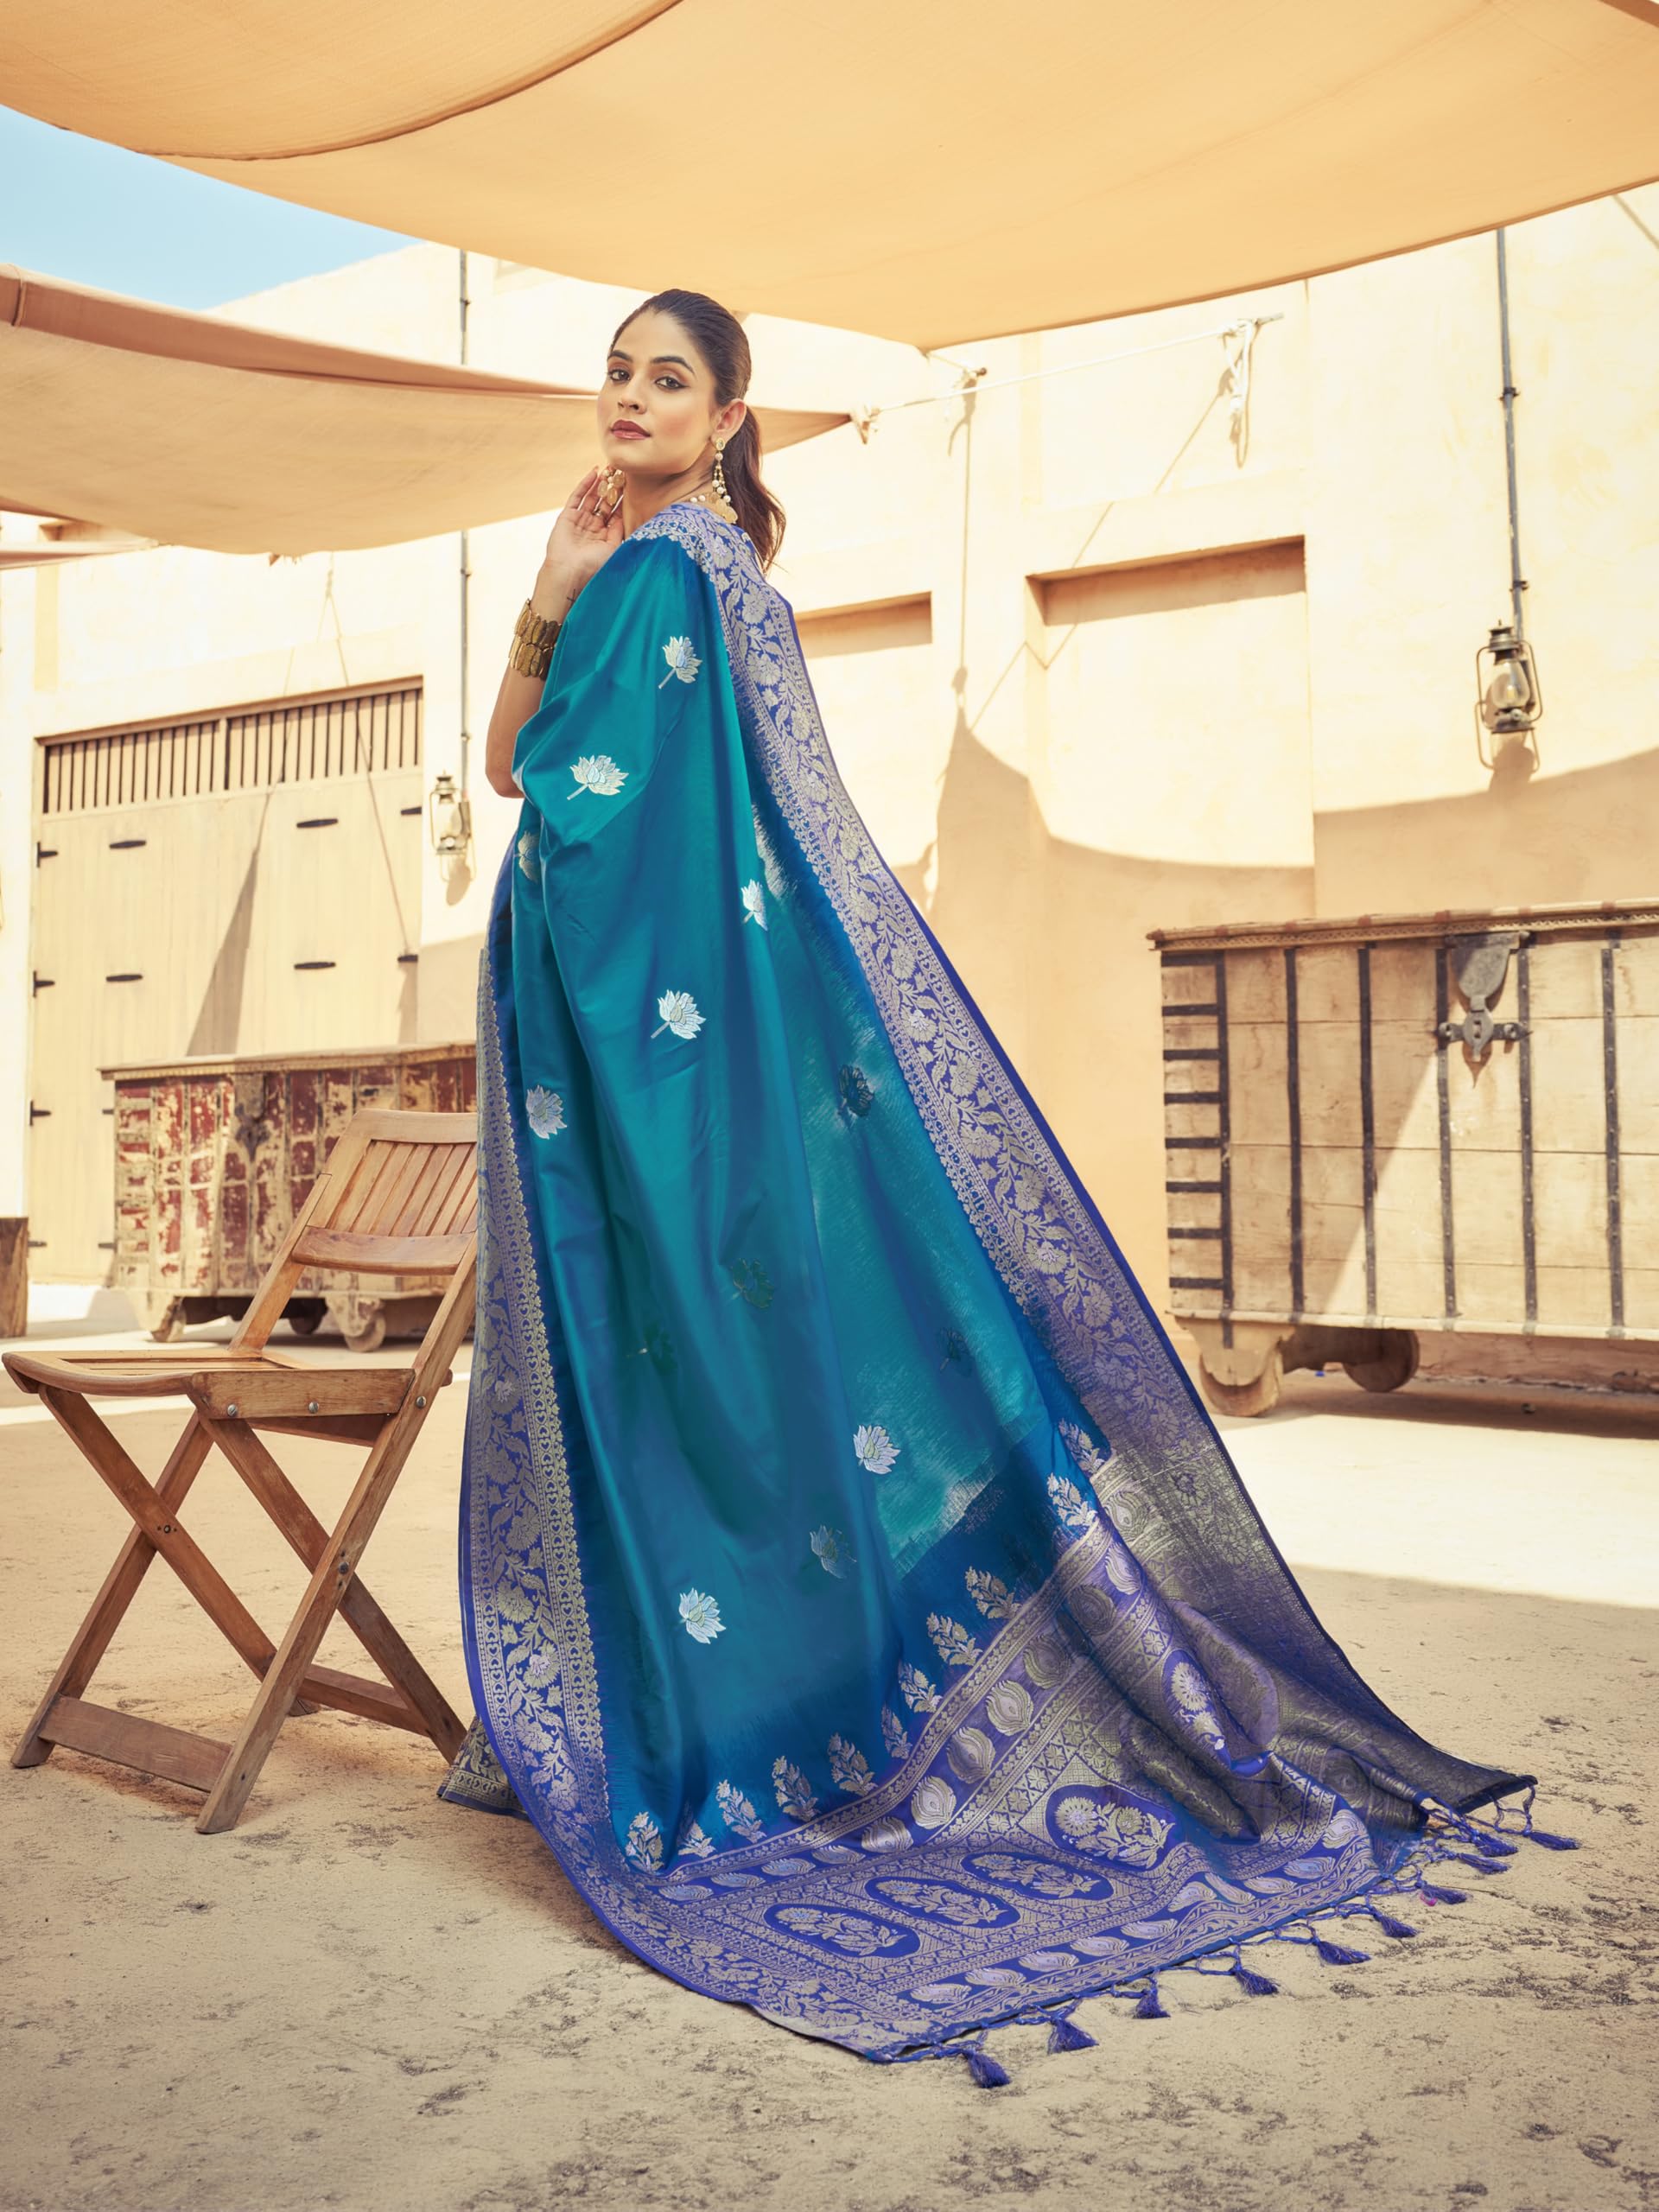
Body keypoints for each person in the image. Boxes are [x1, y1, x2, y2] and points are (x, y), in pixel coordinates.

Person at [439, 289, 1575, 2082]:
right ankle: (769, 1702)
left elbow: (565, 807)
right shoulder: (685, 576)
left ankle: (710, 1733)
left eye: (669, 379)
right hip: (716, 1037)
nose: (630, 399)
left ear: (729, 419)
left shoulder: (675, 576)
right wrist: (546, 590)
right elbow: (523, 758)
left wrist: (576, 623)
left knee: (674, 1363)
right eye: (618, 373)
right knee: (752, 1361)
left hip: (652, 1047)